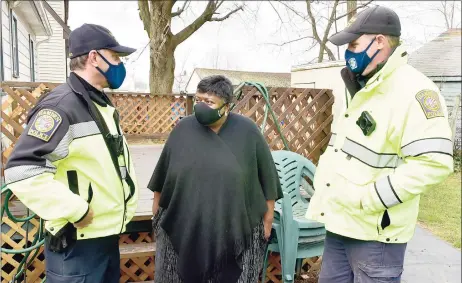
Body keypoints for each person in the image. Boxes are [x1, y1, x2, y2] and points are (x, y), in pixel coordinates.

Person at [305, 5, 454, 283]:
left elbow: (434, 163)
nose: (348, 52)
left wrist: (369, 199)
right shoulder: (361, 86)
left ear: (380, 42)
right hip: (339, 224)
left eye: (353, 44)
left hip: (375, 235)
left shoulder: (415, 92)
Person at [4, 23, 139, 283]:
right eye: (115, 57)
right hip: (78, 242)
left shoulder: (98, 103)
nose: (120, 64)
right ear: (93, 57)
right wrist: (76, 210)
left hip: (104, 235)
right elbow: (21, 171)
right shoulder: (62, 106)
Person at [148, 75, 283, 283]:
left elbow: (267, 178)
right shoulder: (183, 129)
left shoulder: (248, 131)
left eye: (209, 102)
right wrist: (156, 215)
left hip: (235, 221)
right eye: (198, 99)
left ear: (226, 106)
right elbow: (163, 175)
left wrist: (268, 218)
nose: (201, 106)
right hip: (185, 221)